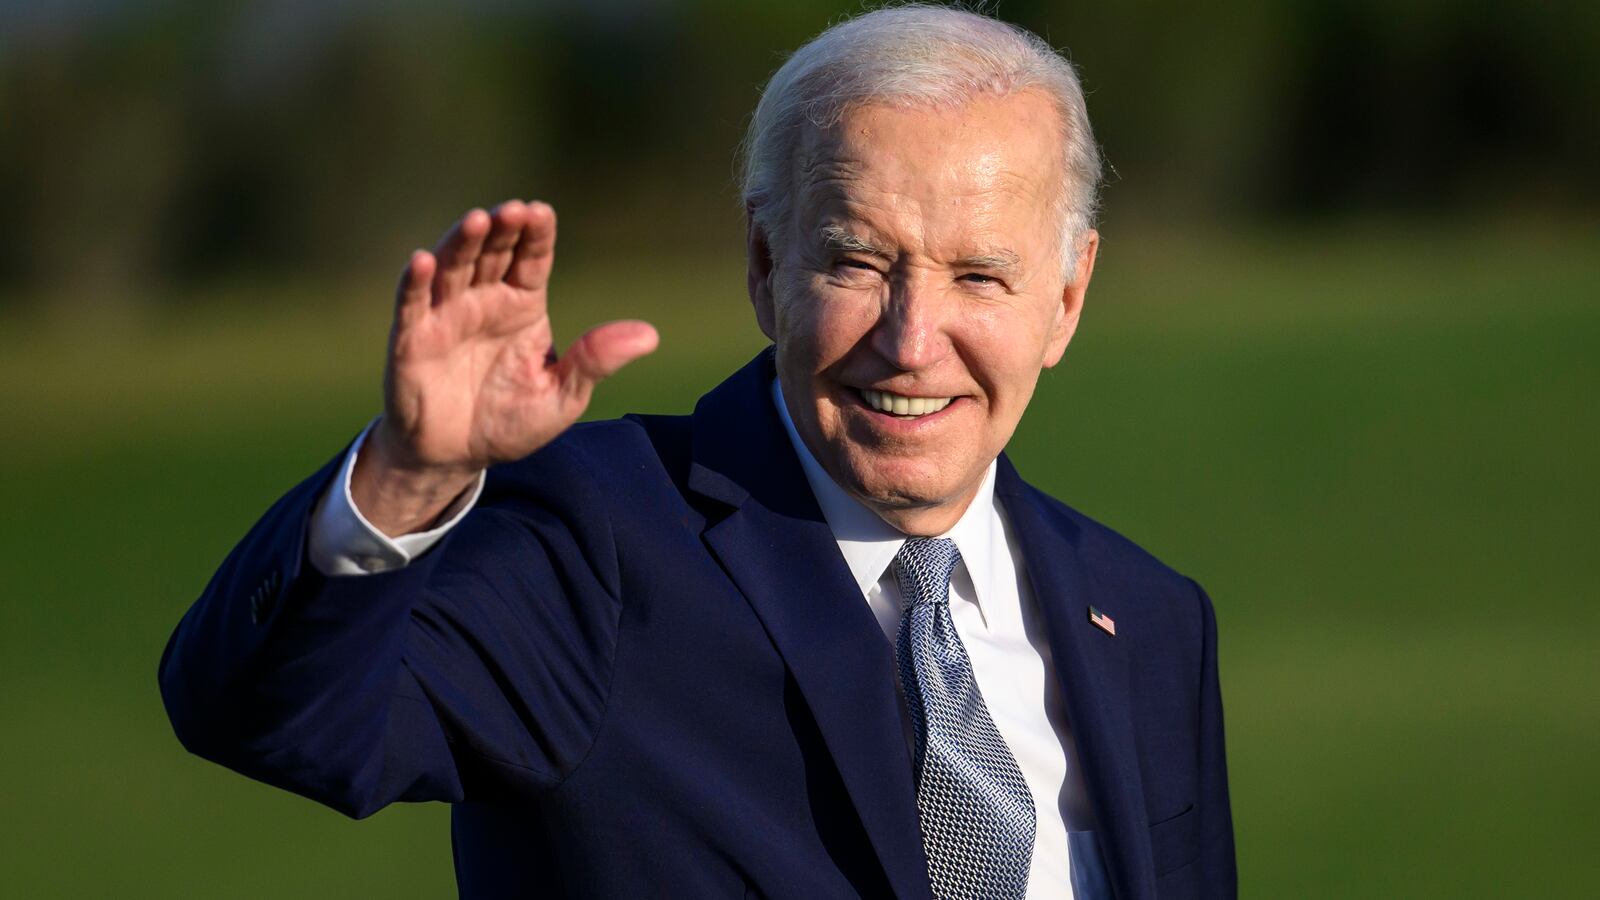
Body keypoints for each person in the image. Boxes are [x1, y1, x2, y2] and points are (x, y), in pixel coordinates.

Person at [160, 7, 1235, 899]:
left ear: (1067, 298)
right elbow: (275, 723)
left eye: (979, 277)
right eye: (858, 261)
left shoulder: (1149, 621)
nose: (912, 342)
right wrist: (409, 476)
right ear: (765, 265)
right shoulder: (599, 544)